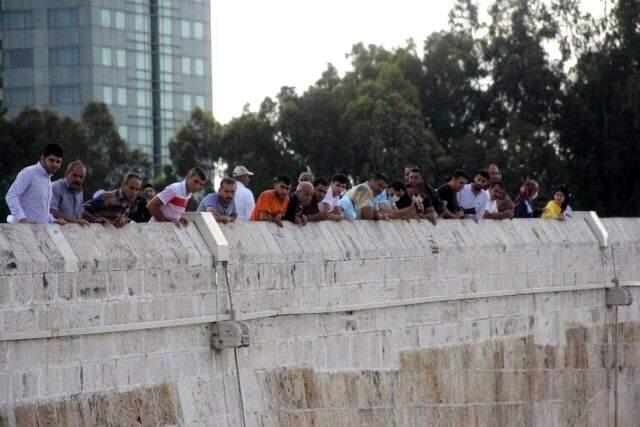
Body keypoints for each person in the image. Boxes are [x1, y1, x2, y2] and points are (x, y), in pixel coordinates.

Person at [5, 143, 66, 224]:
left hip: (39, 231)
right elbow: (11, 195)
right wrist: (22, 219)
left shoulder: (47, 179)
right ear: (43, 158)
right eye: (51, 160)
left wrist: (54, 220)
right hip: (23, 230)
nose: (55, 164)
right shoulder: (29, 172)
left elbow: (41, 211)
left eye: (58, 162)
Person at [50, 160, 90, 225]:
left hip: (72, 232)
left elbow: (81, 211)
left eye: (81, 177)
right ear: (66, 174)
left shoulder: (80, 190)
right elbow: (52, 212)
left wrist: (95, 219)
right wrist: (75, 221)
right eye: (74, 175)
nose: (78, 179)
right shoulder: (56, 187)